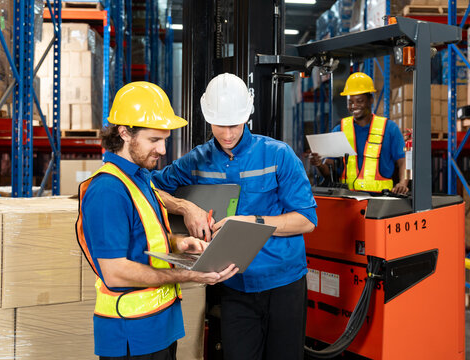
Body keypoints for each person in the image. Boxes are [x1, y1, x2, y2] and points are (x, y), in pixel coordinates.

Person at [152, 73, 318, 360]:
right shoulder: (196, 161)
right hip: (233, 286)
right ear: (207, 118)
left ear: (247, 116)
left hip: (284, 283)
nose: (227, 134)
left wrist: (250, 223)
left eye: (234, 124)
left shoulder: (279, 155)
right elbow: (147, 188)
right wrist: (184, 207)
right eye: (219, 125)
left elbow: (306, 220)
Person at [76, 81, 238, 360]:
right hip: (131, 336)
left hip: (158, 329)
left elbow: (144, 240)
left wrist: (180, 244)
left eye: (165, 139)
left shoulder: (140, 179)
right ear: (124, 133)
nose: (163, 150)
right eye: (154, 140)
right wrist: (192, 275)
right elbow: (115, 272)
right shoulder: (108, 191)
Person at [310, 72, 409, 194]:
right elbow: (329, 170)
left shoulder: (389, 128)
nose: (354, 106)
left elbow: (403, 160)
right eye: (350, 102)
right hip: (347, 200)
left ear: (370, 100)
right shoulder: (340, 129)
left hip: (381, 201)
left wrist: (402, 184)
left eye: (359, 101)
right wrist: (319, 164)